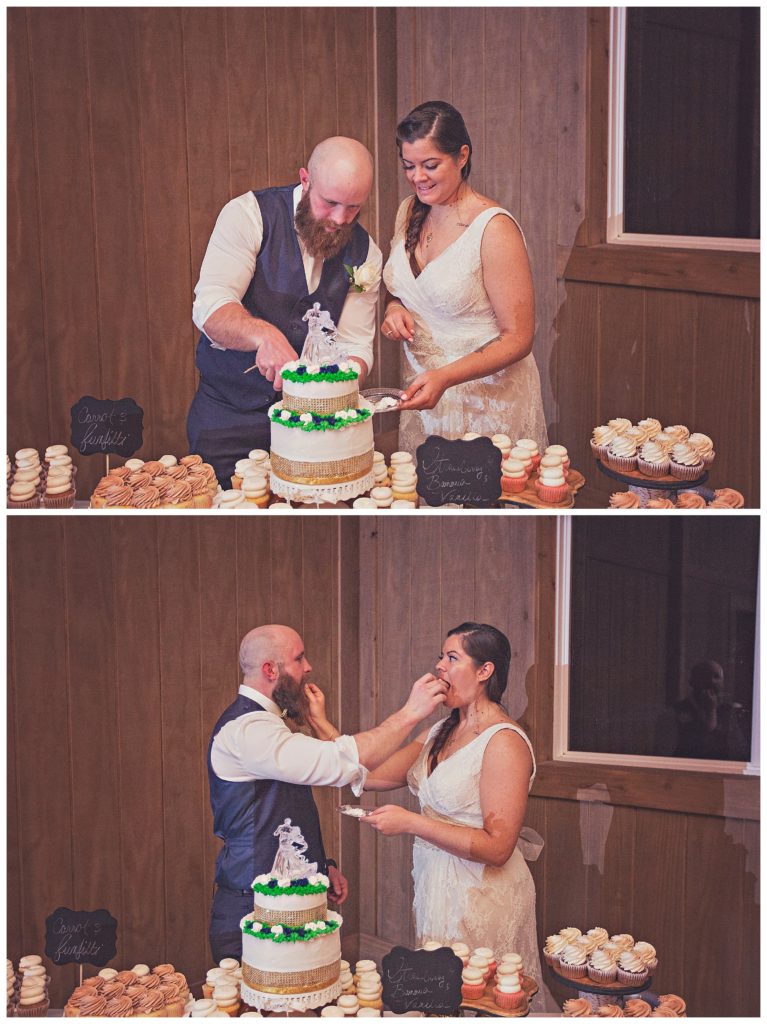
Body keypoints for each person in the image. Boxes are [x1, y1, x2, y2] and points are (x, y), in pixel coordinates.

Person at [207, 623, 447, 962]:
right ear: (270, 669)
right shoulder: (247, 730)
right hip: (254, 908)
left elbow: (280, 810)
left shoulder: (268, 723)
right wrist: (410, 713)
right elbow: (338, 763)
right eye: (299, 658)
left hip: (291, 899)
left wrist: (320, 864)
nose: (308, 668)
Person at [359, 622, 547, 1005]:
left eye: (451, 657)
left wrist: (411, 822)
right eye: (440, 657)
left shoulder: (504, 741)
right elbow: (373, 775)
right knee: (441, 997)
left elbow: (498, 848)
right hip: (437, 888)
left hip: (483, 896)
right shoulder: (441, 731)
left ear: (484, 671)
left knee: (482, 999)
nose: (439, 667)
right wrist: (320, 725)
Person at [188, 137, 383, 485]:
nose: (340, 219)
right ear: (305, 180)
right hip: (228, 420)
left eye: (353, 207)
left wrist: (329, 399)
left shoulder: (366, 254)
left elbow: (356, 345)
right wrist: (263, 334)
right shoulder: (248, 215)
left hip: (313, 440)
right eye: (330, 202)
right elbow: (210, 307)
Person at [381, 101, 548, 454]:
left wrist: (446, 376)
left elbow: (519, 338)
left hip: (486, 404)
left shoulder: (493, 228)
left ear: (461, 156)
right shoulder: (409, 210)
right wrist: (394, 307)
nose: (417, 177)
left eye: (430, 165)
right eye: (408, 166)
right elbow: (409, 289)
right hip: (425, 397)